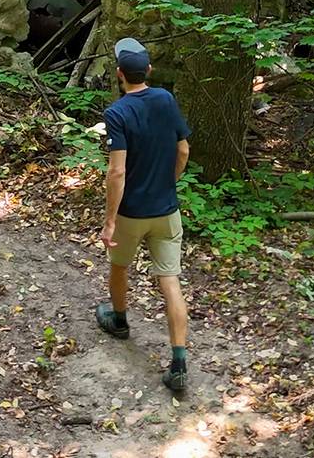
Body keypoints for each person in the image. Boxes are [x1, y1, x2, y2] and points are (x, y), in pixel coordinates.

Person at [94, 37, 193, 396]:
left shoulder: (117, 113)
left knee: (119, 266)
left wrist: (109, 220)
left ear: (120, 74)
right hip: (167, 211)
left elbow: (116, 173)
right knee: (170, 281)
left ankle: (119, 321)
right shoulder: (166, 100)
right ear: (148, 71)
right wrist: (171, 181)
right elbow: (183, 148)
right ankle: (178, 361)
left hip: (132, 213)